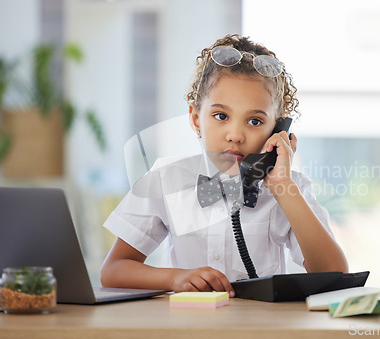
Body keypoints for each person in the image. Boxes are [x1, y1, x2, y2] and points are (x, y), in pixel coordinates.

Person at [100, 34, 348, 297]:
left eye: (254, 121)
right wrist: (175, 278)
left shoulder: (291, 188)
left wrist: (282, 185)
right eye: (221, 116)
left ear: (278, 131)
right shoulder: (166, 179)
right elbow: (113, 270)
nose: (235, 135)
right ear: (196, 119)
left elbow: (336, 276)